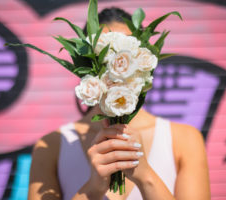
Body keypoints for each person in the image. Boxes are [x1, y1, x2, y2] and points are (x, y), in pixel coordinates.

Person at [28, 7, 211, 200]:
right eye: (103, 55)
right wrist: (93, 189)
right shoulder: (52, 146)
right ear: (84, 65)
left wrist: (146, 177)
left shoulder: (184, 140)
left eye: (127, 54)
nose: (117, 66)